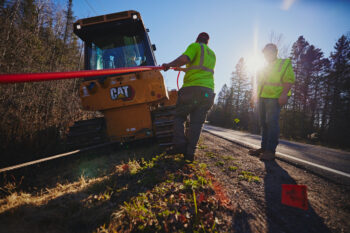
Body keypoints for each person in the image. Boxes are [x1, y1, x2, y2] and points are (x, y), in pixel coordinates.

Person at [162, 32, 216, 162]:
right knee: (197, 123)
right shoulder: (212, 54)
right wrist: (181, 69)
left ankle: (179, 145)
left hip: (192, 89)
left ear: (197, 40)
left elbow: (184, 59)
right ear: (207, 42)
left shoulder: (195, 46)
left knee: (179, 116)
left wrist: (168, 65)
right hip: (208, 91)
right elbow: (199, 68)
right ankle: (190, 153)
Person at [249, 43, 295, 161]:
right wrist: (254, 96)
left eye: (269, 52)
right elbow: (259, 84)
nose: (266, 55)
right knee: (263, 123)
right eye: (265, 53)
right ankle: (264, 148)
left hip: (275, 97)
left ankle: (270, 151)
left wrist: (284, 94)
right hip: (262, 97)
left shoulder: (284, 63)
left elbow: (289, 80)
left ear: (275, 52)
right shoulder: (263, 67)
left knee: (271, 122)